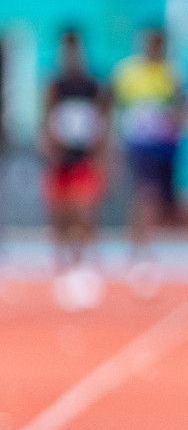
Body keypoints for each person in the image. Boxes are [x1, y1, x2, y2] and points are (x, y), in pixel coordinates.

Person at [112, 25, 188, 287]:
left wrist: (175, 123)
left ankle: (146, 243)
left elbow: (183, 105)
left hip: (165, 145)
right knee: (145, 194)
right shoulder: (128, 71)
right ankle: (139, 248)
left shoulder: (172, 71)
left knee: (162, 201)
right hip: (138, 143)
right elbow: (112, 105)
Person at [43, 27, 112, 310]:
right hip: (62, 156)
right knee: (61, 214)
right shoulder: (55, 84)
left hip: (85, 154)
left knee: (84, 211)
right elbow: (46, 117)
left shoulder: (93, 83)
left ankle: (83, 264)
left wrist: (104, 154)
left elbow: (104, 118)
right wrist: (50, 147)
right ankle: (62, 266)